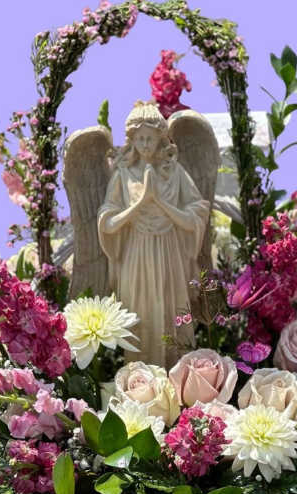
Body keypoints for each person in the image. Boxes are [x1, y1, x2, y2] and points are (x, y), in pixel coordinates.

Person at [98, 101, 210, 368]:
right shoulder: (122, 175)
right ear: (132, 140)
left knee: (172, 311)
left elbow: (196, 217)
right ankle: (139, 381)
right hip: (135, 254)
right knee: (140, 314)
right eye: (140, 139)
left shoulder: (176, 173)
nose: (145, 144)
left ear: (161, 138)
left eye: (150, 138)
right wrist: (139, 205)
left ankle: (178, 376)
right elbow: (108, 223)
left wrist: (159, 201)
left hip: (170, 254)